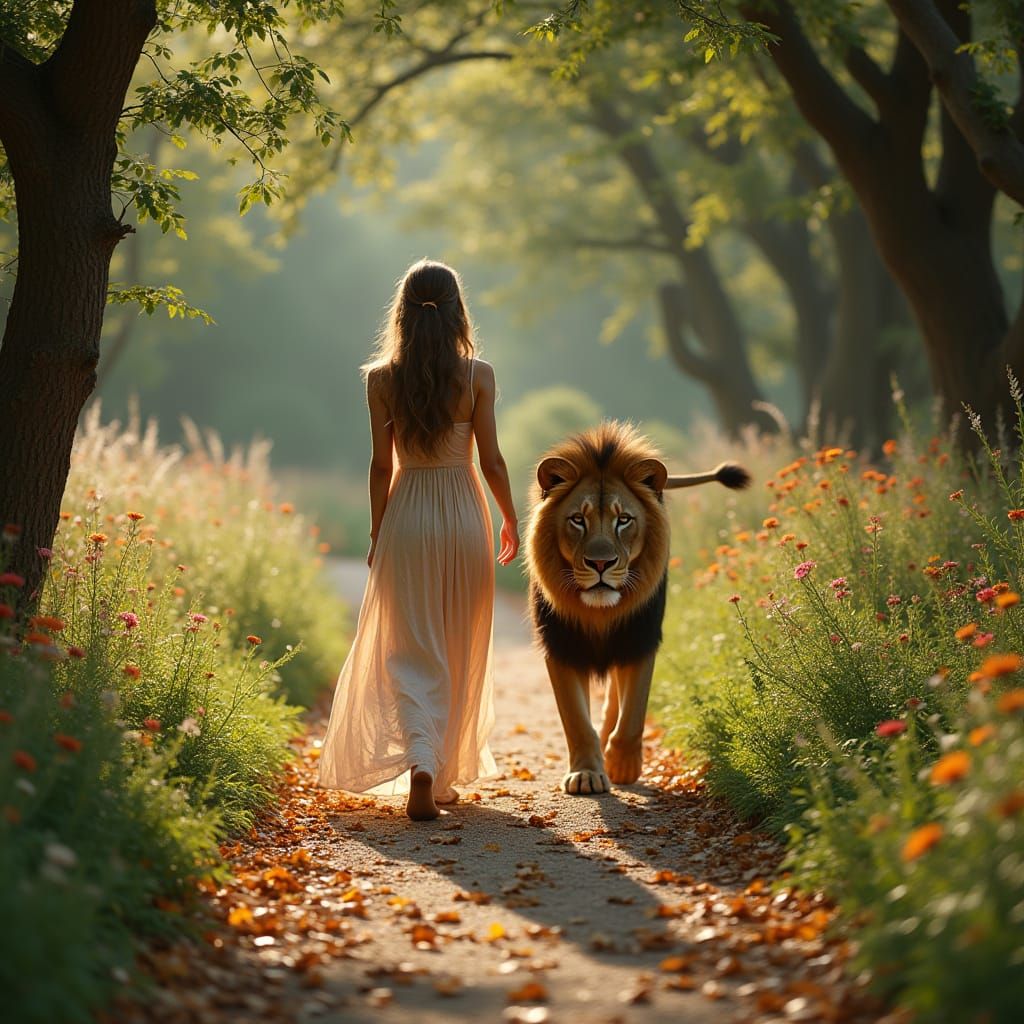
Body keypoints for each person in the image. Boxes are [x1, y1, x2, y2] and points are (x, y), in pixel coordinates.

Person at [318, 259, 519, 821]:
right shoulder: (479, 375)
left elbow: (380, 468)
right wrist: (510, 519)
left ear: (402, 312)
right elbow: (493, 460)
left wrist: (379, 532)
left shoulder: (381, 379)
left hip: (408, 514)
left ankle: (424, 761)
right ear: (458, 310)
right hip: (462, 514)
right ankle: (441, 765)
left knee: (408, 648)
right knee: (456, 639)